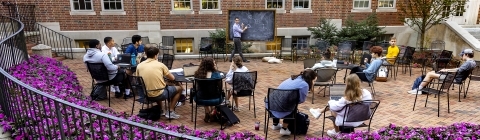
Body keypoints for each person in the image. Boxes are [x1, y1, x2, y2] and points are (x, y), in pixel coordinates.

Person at [135, 47, 183, 119]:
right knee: (179, 88)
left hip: (146, 94)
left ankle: (160, 110)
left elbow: (138, 79)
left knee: (157, 86)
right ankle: (171, 111)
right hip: (160, 94)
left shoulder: (139, 65)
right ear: (155, 56)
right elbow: (172, 78)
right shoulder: (160, 65)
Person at [267, 69, 317, 136]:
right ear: (311, 79)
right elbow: (301, 100)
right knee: (292, 104)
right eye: (314, 80)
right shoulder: (304, 84)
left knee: (281, 100)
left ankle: (275, 124)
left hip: (270, 102)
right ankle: (284, 129)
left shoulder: (293, 78)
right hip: (282, 106)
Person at [408, 49, 476, 94]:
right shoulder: (473, 62)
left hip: (453, 78)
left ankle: (418, 90)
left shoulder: (468, 63)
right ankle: (421, 88)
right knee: (432, 73)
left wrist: (446, 70)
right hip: (456, 77)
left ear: (466, 55)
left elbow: (458, 70)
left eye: (463, 55)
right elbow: (459, 69)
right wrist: (446, 70)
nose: (462, 56)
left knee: (429, 74)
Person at [193, 57, 223, 122]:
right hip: (215, 99)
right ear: (211, 65)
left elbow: (197, 88)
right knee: (214, 93)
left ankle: (207, 113)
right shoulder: (216, 75)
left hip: (201, 99)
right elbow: (220, 88)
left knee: (203, 92)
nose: (215, 64)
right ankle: (212, 112)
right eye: (214, 63)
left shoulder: (197, 74)